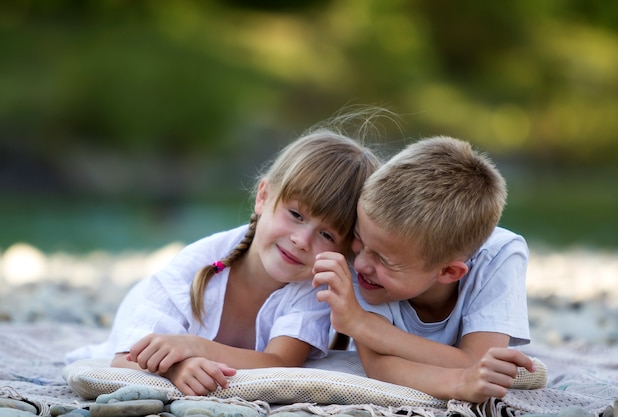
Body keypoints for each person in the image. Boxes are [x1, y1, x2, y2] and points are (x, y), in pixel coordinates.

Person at [65, 113, 381, 396]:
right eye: (296, 214)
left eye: (327, 235)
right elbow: (123, 360)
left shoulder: (315, 284)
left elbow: (280, 363)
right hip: (141, 306)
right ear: (263, 197)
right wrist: (175, 370)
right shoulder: (193, 267)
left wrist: (195, 349)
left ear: (345, 251)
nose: (301, 240)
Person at [313, 135, 536, 403]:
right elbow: (378, 367)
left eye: (385, 260)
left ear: (448, 272)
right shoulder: (367, 260)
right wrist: (458, 382)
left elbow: (476, 361)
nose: (359, 263)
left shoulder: (500, 256)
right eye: (359, 238)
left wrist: (359, 323)